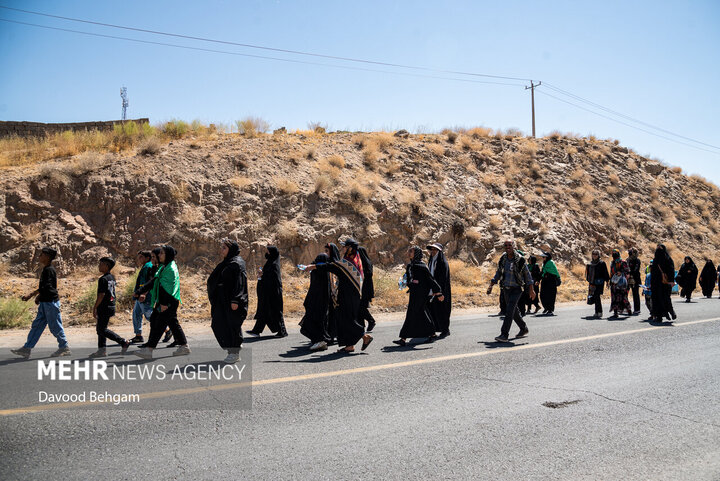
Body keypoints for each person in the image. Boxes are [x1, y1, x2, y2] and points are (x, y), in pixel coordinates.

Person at [305, 240, 373, 353]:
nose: (343, 249)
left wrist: (314, 266)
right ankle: (349, 346)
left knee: (347, 319)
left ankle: (364, 336)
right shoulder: (353, 261)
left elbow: (331, 266)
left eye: (345, 247)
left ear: (350, 248)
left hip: (348, 296)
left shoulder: (347, 262)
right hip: (351, 295)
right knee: (346, 319)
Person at [11, 247, 71, 359]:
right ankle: (27, 348)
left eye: (41, 255)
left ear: (47, 257)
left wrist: (31, 295)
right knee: (37, 326)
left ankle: (64, 347)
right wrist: (39, 297)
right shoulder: (47, 269)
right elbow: (46, 287)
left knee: (55, 326)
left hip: (50, 303)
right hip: (45, 303)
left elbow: (47, 287)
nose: (39, 257)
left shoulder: (49, 270)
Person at [134, 245, 190, 359]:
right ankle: (184, 346)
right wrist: (140, 291)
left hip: (168, 301)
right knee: (169, 322)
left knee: (159, 324)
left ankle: (149, 350)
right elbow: (155, 281)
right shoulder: (164, 267)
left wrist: (164, 303)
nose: (159, 255)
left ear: (168, 255)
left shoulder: (170, 269)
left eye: (161, 253)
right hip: (163, 301)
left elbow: (167, 287)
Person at [207, 239, 248, 363]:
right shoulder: (227, 262)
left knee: (232, 325)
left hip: (232, 301)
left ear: (231, 249)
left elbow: (240, 283)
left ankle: (234, 353)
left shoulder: (237, 263)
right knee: (218, 324)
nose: (221, 250)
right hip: (222, 300)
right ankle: (233, 346)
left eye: (224, 247)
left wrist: (236, 300)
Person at [393, 246, 444, 346]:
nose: (409, 252)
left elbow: (431, 280)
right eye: (409, 250)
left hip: (421, 294)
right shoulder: (410, 265)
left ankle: (403, 338)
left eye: (411, 251)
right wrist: (405, 283)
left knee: (412, 314)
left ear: (416, 253)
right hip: (414, 293)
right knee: (421, 313)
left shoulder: (421, 266)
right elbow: (409, 278)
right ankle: (432, 334)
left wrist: (438, 292)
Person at [487, 240, 535, 342]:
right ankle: (523, 328)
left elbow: (527, 275)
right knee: (514, 311)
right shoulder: (503, 258)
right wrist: (491, 284)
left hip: (517, 289)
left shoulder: (520, 260)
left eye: (510, 245)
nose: (508, 247)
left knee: (509, 311)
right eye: (506, 245)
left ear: (514, 246)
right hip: (506, 289)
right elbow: (499, 272)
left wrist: (531, 290)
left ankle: (504, 334)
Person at [88, 257, 130, 358]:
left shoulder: (103, 279)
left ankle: (122, 341)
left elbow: (101, 295)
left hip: (104, 307)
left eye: (101, 264)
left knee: (101, 330)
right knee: (102, 328)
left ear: (106, 266)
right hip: (111, 305)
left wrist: (95, 307)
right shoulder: (111, 277)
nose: (99, 266)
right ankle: (102, 351)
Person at [247, 246, 287, 337]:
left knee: (276, 311)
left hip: (273, 293)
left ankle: (282, 331)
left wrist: (262, 275)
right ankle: (256, 331)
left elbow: (273, 280)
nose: (267, 254)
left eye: (268, 252)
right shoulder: (270, 263)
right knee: (264, 311)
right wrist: (262, 275)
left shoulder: (274, 265)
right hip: (267, 292)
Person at [300, 252, 333, 351]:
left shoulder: (320, 271)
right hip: (319, 301)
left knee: (315, 321)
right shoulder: (322, 271)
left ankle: (320, 341)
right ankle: (319, 340)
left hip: (317, 301)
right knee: (317, 321)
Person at [427, 243, 452, 337]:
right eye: (432, 249)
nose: (433, 251)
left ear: (439, 252)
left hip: (441, 291)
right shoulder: (431, 261)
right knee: (433, 310)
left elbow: (443, 279)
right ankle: (434, 330)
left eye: (435, 250)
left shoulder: (442, 262)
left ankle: (445, 330)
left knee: (442, 310)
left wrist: (439, 292)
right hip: (432, 290)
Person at [130, 250, 154, 344]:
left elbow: (150, 281)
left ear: (147, 258)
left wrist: (144, 293)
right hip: (140, 296)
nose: (139, 259)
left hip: (145, 297)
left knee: (149, 316)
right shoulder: (145, 267)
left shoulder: (149, 266)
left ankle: (167, 330)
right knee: (136, 314)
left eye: (141, 257)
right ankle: (138, 336)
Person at [650, 244, 676, 322]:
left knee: (663, 299)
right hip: (659, 283)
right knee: (660, 299)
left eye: (660, 248)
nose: (658, 250)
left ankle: (668, 313)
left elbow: (671, 270)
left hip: (662, 283)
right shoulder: (661, 260)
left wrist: (671, 281)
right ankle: (661, 315)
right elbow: (653, 273)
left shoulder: (664, 259)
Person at [585, 250, 610, 319]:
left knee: (597, 296)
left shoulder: (601, 263)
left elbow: (605, 272)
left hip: (599, 283)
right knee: (594, 297)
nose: (594, 255)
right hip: (592, 282)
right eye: (593, 254)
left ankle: (599, 312)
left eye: (596, 254)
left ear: (598, 255)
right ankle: (597, 312)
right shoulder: (590, 263)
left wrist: (607, 281)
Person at [357, 245, 376, 332]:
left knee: (361, 307)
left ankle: (371, 320)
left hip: (365, 289)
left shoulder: (365, 264)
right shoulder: (366, 262)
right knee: (360, 307)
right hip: (364, 289)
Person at [608, 249, 632, 318]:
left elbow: (627, 271)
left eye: (616, 253)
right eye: (613, 253)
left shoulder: (623, 262)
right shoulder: (612, 263)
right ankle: (615, 312)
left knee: (623, 297)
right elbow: (611, 273)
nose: (614, 254)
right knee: (614, 298)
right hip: (614, 283)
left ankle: (628, 309)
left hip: (622, 283)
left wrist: (621, 273)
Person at [627, 248, 642, 315]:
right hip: (628, 278)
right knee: (625, 293)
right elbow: (626, 267)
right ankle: (626, 307)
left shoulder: (637, 261)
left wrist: (630, 273)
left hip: (635, 279)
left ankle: (637, 309)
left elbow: (636, 269)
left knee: (635, 294)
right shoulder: (627, 260)